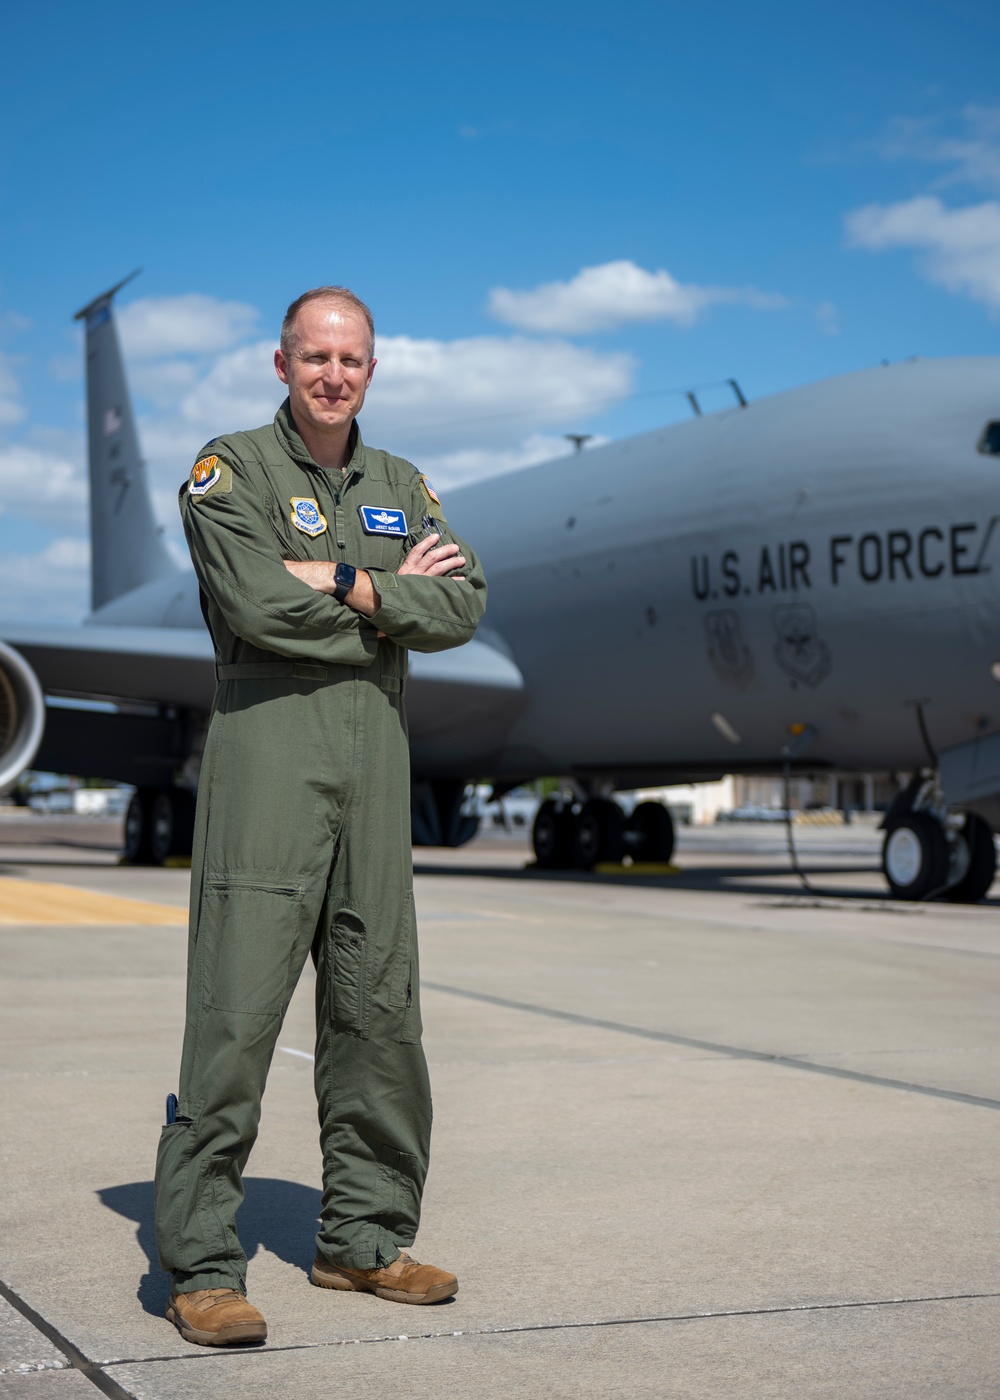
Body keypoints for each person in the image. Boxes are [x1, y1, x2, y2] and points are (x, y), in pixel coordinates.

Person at [154, 285, 487, 1348]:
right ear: (281, 362)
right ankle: (204, 1262)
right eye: (314, 357)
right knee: (235, 1018)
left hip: (374, 783)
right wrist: (388, 603)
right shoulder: (231, 469)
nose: (332, 374)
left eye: (351, 359)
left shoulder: (400, 482)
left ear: (371, 370)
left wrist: (340, 579)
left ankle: (363, 1237)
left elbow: (465, 604)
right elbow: (253, 602)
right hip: (268, 777)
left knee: (379, 1012)